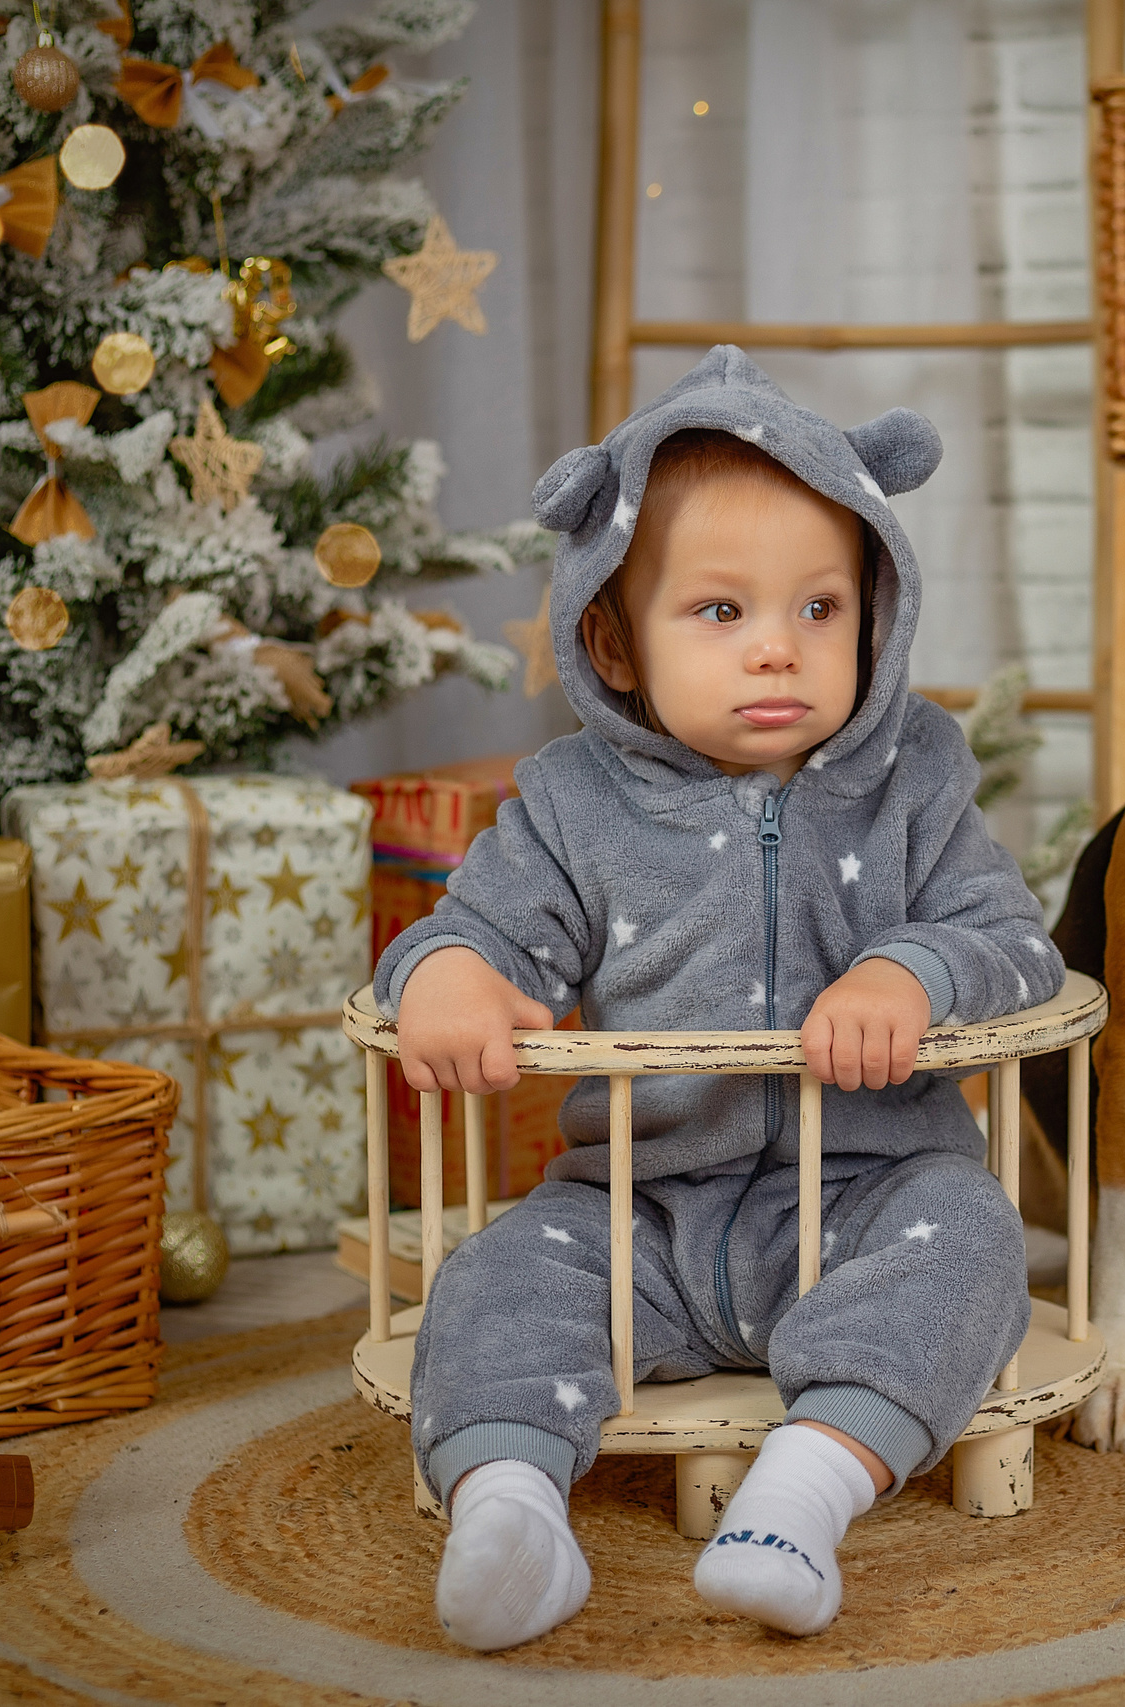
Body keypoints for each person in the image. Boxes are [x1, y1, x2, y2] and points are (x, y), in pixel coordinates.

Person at [376, 346, 1063, 1648]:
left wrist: (909, 972)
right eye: (720, 611)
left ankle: (801, 1497)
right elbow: (482, 929)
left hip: (867, 1199)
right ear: (613, 641)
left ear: (876, 614)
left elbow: (1013, 942)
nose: (778, 650)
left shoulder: (913, 778)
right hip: (639, 1209)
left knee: (974, 1243)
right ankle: (510, 1512)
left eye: (821, 608)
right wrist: (454, 976)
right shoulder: (574, 804)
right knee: (492, 1283)